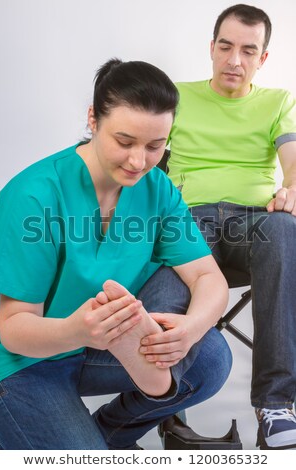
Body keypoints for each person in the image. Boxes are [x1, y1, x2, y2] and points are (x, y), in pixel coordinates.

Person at [0, 58, 231, 450]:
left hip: (94, 346)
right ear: (93, 119)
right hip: (24, 361)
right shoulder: (33, 196)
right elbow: (13, 329)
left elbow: (209, 278)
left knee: (209, 358)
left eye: (156, 146)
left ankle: (107, 434)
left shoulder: (156, 187)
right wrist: (78, 329)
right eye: (125, 142)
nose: (139, 161)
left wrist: (189, 331)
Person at [157, 3, 296, 450]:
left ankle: (275, 404)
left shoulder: (279, 102)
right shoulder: (174, 96)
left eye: (248, 50)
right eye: (226, 46)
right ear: (211, 48)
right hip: (187, 218)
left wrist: (292, 188)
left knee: (285, 229)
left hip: (252, 224)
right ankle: (166, 408)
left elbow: (292, 164)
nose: (235, 60)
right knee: (161, 245)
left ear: (263, 58)